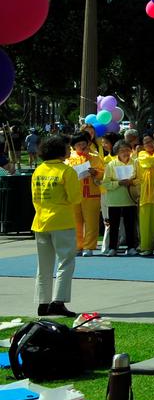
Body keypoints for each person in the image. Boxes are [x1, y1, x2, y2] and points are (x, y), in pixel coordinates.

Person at [31, 134, 82, 317]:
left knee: (44, 265)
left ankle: (42, 303)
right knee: (66, 261)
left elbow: (34, 197)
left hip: (41, 221)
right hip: (61, 221)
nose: (69, 150)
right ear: (60, 151)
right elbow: (75, 198)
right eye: (67, 148)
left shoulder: (39, 170)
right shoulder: (67, 171)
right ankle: (58, 301)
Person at [67, 132, 104, 256]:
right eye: (78, 144)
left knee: (91, 222)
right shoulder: (69, 159)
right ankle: (77, 246)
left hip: (92, 193)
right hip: (75, 194)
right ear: (74, 146)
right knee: (75, 222)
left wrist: (96, 172)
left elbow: (103, 172)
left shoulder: (95, 156)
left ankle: (89, 246)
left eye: (84, 143)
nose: (82, 146)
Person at [99, 141, 138, 256]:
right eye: (122, 151)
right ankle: (112, 248)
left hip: (130, 199)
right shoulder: (111, 165)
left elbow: (140, 180)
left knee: (130, 225)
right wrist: (118, 183)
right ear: (117, 152)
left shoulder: (135, 163)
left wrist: (132, 182)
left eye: (127, 150)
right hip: (114, 200)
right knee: (114, 225)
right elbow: (105, 183)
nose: (125, 153)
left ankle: (131, 247)